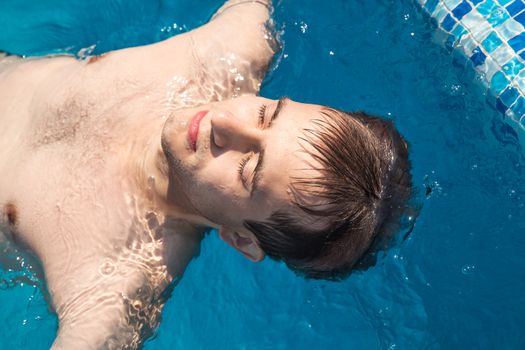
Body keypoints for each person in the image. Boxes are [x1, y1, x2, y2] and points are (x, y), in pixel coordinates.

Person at [0, 0, 412, 348]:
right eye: (267, 113)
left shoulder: (117, 283)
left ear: (241, 240)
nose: (229, 123)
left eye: (248, 169)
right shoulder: (224, 57)